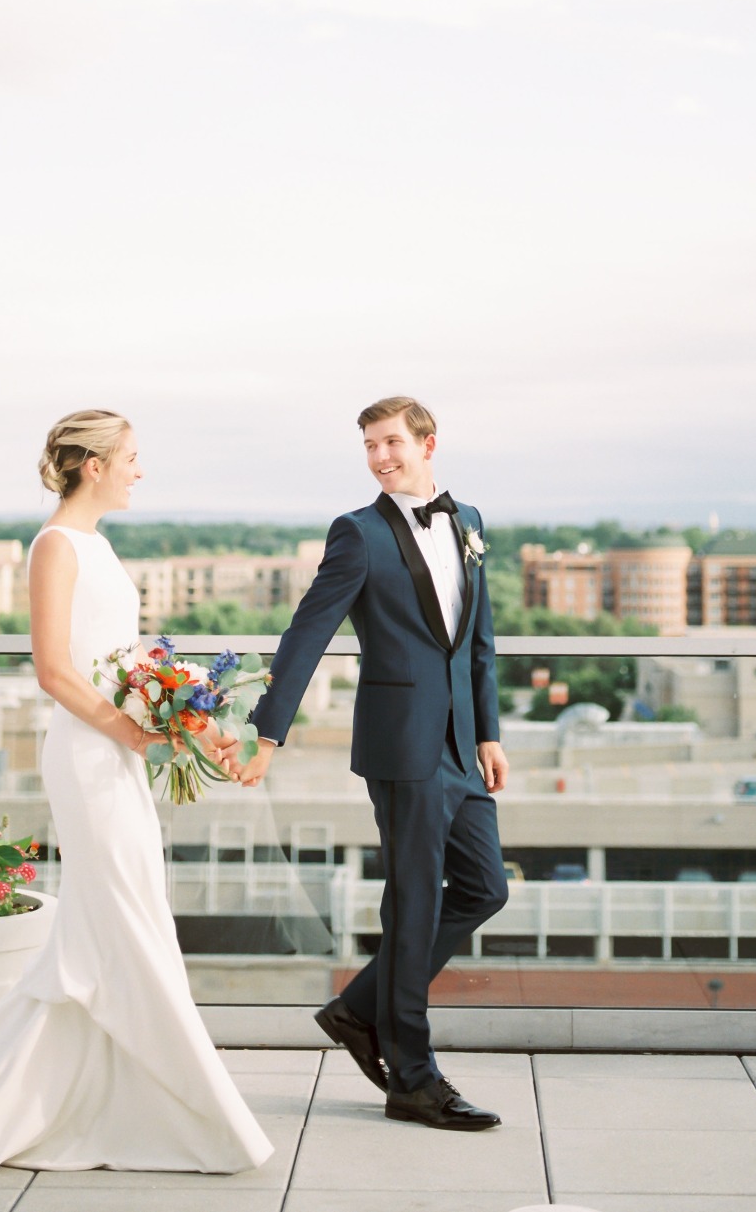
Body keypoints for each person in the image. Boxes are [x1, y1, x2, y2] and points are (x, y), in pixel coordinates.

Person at [0, 409, 273, 1180]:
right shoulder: (54, 545)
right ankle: (198, 1111)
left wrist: (191, 720)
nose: (139, 470)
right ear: (93, 464)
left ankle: (76, 1098)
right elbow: (54, 670)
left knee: (112, 928)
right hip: (89, 757)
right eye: (131, 457)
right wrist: (131, 732)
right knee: (126, 923)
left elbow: (128, 661)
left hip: (116, 750)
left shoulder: (99, 543)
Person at [240, 395, 509, 1130]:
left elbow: (478, 637)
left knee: (486, 887)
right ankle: (413, 1077)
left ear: (427, 442)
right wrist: (268, 735)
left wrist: (488, 730)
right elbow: (307, 632)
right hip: (402, 745)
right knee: (415, 903)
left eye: (391, 441)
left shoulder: (471, 523)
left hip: (461, 745)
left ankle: (358, 1010)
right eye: (368, 445)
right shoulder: (357, 533)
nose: (380, 456)